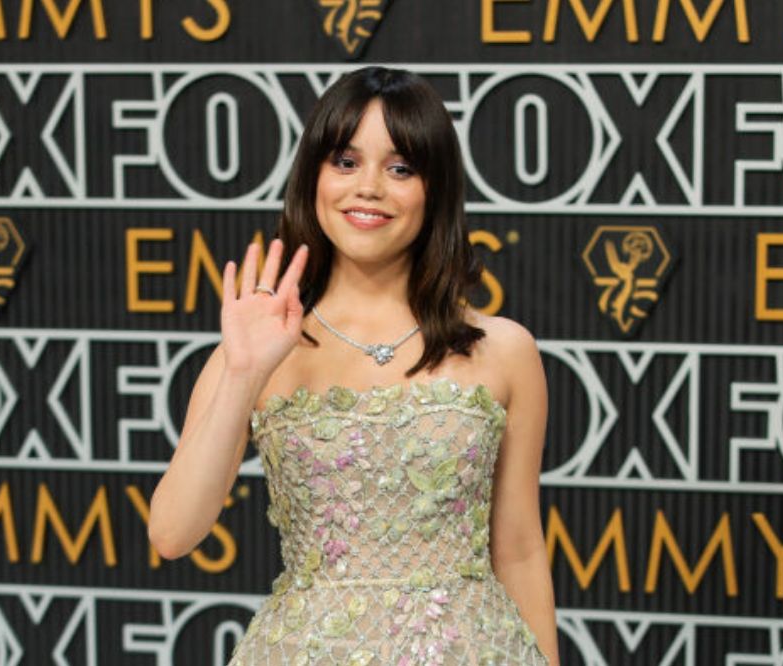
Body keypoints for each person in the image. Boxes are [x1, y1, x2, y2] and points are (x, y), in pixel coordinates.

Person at [149, 66, 560, 665]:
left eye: (400, 168)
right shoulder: (259, 348)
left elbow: (520, 548)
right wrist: (244, 373)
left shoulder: (503, 350)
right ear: (312, 175)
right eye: (345, 161)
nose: (368, 187)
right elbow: (172, 534)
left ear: (434, 189)